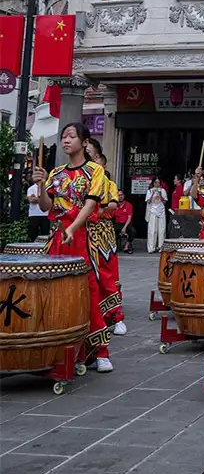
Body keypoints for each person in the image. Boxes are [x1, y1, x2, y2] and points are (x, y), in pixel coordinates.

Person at [32, 123, 113, 372]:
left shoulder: (94, 171)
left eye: (71, 136)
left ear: (84, 141)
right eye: (64, 136)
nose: (66, 140)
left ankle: (100, 350)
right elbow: (46, 207)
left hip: (81, 238)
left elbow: (90, 204)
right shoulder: (56, 173)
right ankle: (57, 347)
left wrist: (72, 228)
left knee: (87, 290)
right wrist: (41, 185)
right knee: (53, 290)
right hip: (59, 237)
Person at [85, 144, 126, 336]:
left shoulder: (108, 183)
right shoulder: (77, 179)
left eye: (94, 156)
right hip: (81, 231)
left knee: (108, 276)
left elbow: (112, 205)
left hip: (102, 233)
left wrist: (94, 210)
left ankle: (115, 316)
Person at [145, 177, 168, 253]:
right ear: (153, 183)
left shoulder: (163, 190)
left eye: (158, 182)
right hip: (152, 211)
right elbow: (148, 201)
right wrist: (152, 193)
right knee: (152, 230)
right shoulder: (150, 191)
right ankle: (151, 248)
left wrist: (160, 194)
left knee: (161, 230)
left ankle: (161, 247)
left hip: (161, 211)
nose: (157, 184)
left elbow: (164, 202)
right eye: (155, 182)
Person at [26, 174, 50, 241]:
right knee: (32, 234)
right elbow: (30, 200)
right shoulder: (31, 188)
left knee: (45, 234)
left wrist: (36, 198)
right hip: (34, 214)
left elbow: (50, 200)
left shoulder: (47, 187)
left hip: (45, 214)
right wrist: (42, 199)